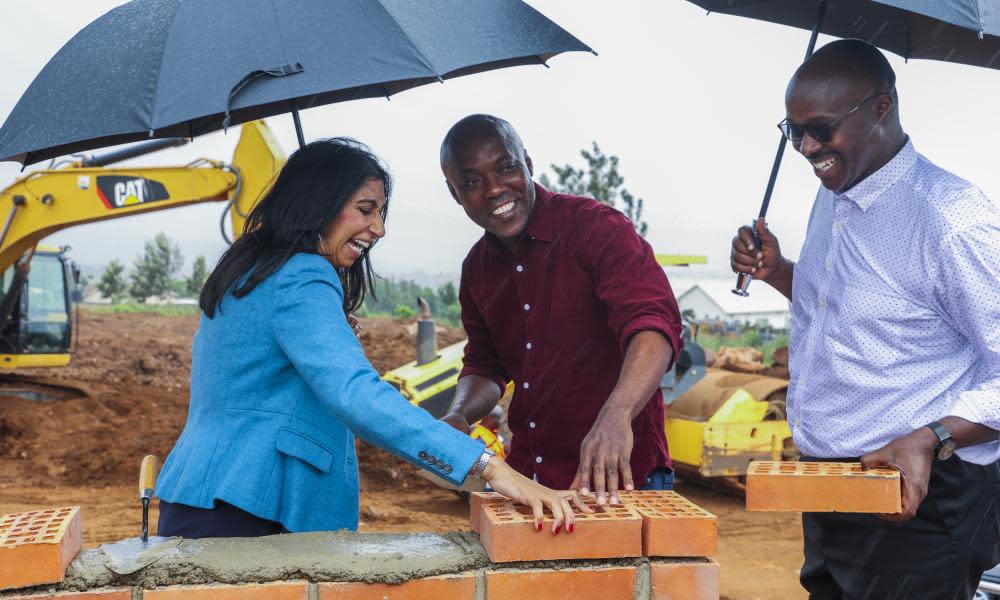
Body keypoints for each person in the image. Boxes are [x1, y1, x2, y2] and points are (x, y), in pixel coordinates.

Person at [155, 138, 585, 538]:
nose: (377, 229)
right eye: (365, 209)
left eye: (380, 212)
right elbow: (357, 395)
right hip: (252, 507)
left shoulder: (251, 270)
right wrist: (489, 467)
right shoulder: (303, 275)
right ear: (318, 204)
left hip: (204, 494)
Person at [730, 39, 1000, 598]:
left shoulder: (952, 222)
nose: (806, 147)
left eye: (821, 128)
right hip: (832, 489)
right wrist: (780, 271)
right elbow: (840, 314)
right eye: (793, 130)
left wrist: (934, 437)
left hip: (917, 498)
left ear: (882, 108)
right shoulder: (835, 192)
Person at [439, 114, 683, 505]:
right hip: (532, 483)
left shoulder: (596, 229)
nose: (495, 189)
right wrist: (459, 415)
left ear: (528, 164)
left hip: (623, 481)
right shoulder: (477, 269)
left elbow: (654, 327)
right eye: (472, 182)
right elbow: (485, 364)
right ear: (455, 194)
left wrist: (617, 414)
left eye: (506, 168)